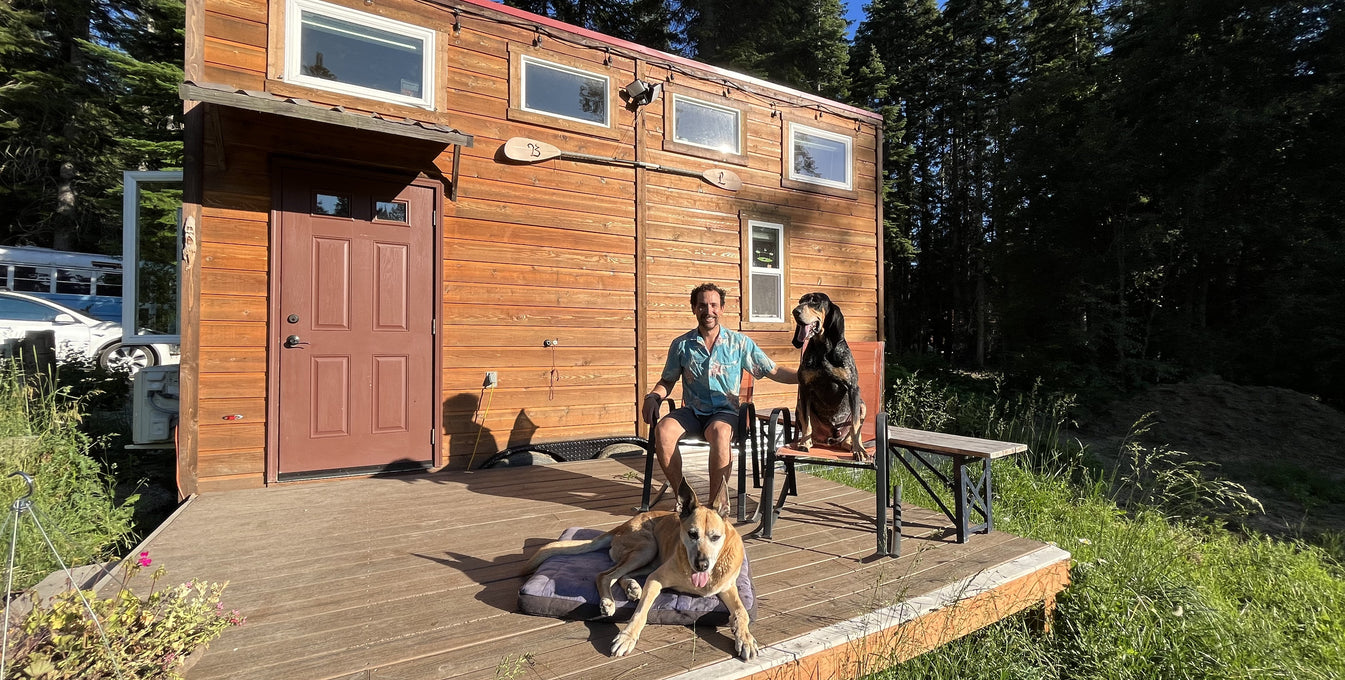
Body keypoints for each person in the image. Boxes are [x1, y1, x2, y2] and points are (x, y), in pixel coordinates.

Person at [641, 283, 797, 509]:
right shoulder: (682, 345)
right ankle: (684, 502)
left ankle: (715, 506)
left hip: (725, 413)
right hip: (693, 412)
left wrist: (805, 376)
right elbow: (667, 380)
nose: (708, 310)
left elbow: (772, 370)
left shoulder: (740, 344)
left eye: (714, 305)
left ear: (722, 309)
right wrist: (653, 397)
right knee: (663, 430)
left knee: (720, 431)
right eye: (702, 305)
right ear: (694, 308)